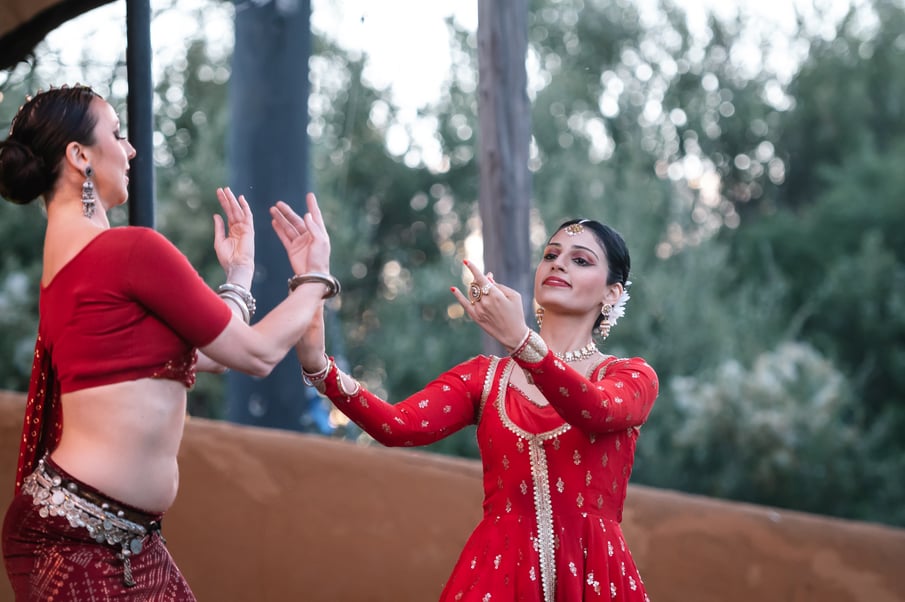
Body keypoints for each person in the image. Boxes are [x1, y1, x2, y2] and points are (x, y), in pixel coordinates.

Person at [0, 85, 339, 600]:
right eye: (116, 133)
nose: (131, 147)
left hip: (123, 540)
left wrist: (240, 276)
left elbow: (206, 354)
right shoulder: (130, 251)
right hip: (77, 540)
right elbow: (256, 354)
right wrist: (317, 277)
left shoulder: (68, 267)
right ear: (79, 156)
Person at [295, 218, 659, 601]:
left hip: (595, 576)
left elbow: (595, 409)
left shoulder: (631, 376)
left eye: (581, 260)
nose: (558, 263)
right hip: (500, 574)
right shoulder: (485, 378)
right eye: (551, 255)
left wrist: (522, 342)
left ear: (612, 293)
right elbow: (397, 425)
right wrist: (320, 367)